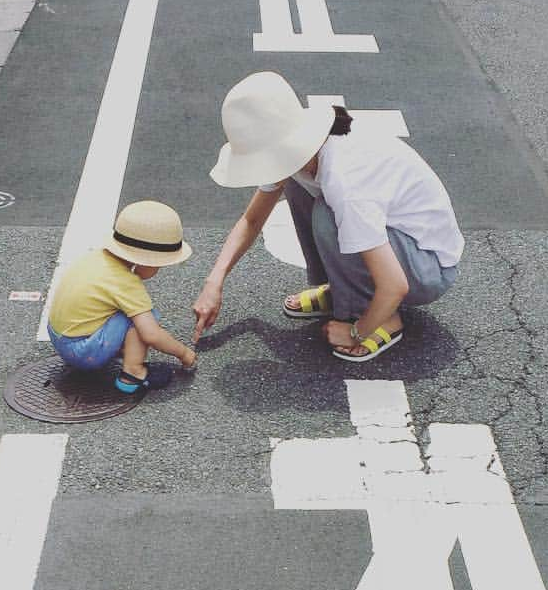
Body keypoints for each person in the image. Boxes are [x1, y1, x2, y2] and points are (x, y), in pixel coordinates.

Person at [193, 71, 463, 362]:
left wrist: (358, 332)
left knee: (327, 216)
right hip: (400, 244)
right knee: (299, 187)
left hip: (428, 268)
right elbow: (251, 220)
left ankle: (381, 318)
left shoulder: (346, 180)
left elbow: (395, 286)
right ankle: (342, 290)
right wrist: (214, 282)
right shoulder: (302, 154)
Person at [48, 200, 198, 393]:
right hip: (82, 352)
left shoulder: (95, 258)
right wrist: (184, 353)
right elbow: (151, 334)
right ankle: (133, 374)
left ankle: (121, 351)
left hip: (59, 337)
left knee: (122, 310)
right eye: (159, 264)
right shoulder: (126, 282)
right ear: (145, 259)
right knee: (143, 318)